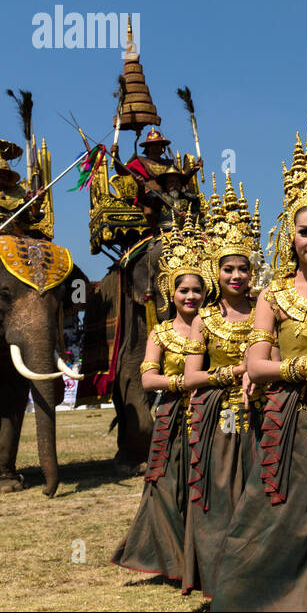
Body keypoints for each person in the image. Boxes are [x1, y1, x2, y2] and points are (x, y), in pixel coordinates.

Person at [210, 107, 307, 611]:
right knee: (283, 515)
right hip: (290, 420)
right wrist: (304, 366)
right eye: (306, 232)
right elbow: (256, 365)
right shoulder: (273, 295)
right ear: (290, 235)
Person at [111, 215, 207, 583]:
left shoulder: (211, 324)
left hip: (206, 415)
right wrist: (183, 382)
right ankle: (169, 557)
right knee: (166, 485)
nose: (190, 297)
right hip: (171, 415)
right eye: (183, 291)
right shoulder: (161, 330)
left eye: (197, 291)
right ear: (171, 293)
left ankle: (198, 555)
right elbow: (148, 379)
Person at [180, 174, 262, 597]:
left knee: (261, 492)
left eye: (242, 268)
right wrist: (228, 374)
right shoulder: (204, 319)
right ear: (217, 272)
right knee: (226, 491)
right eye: (228, 268)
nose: (235, 275)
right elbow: (191, 376)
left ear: (253, 271)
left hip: (267, 413)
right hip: (224, 416)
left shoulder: (266, 313)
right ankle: (221, 572)